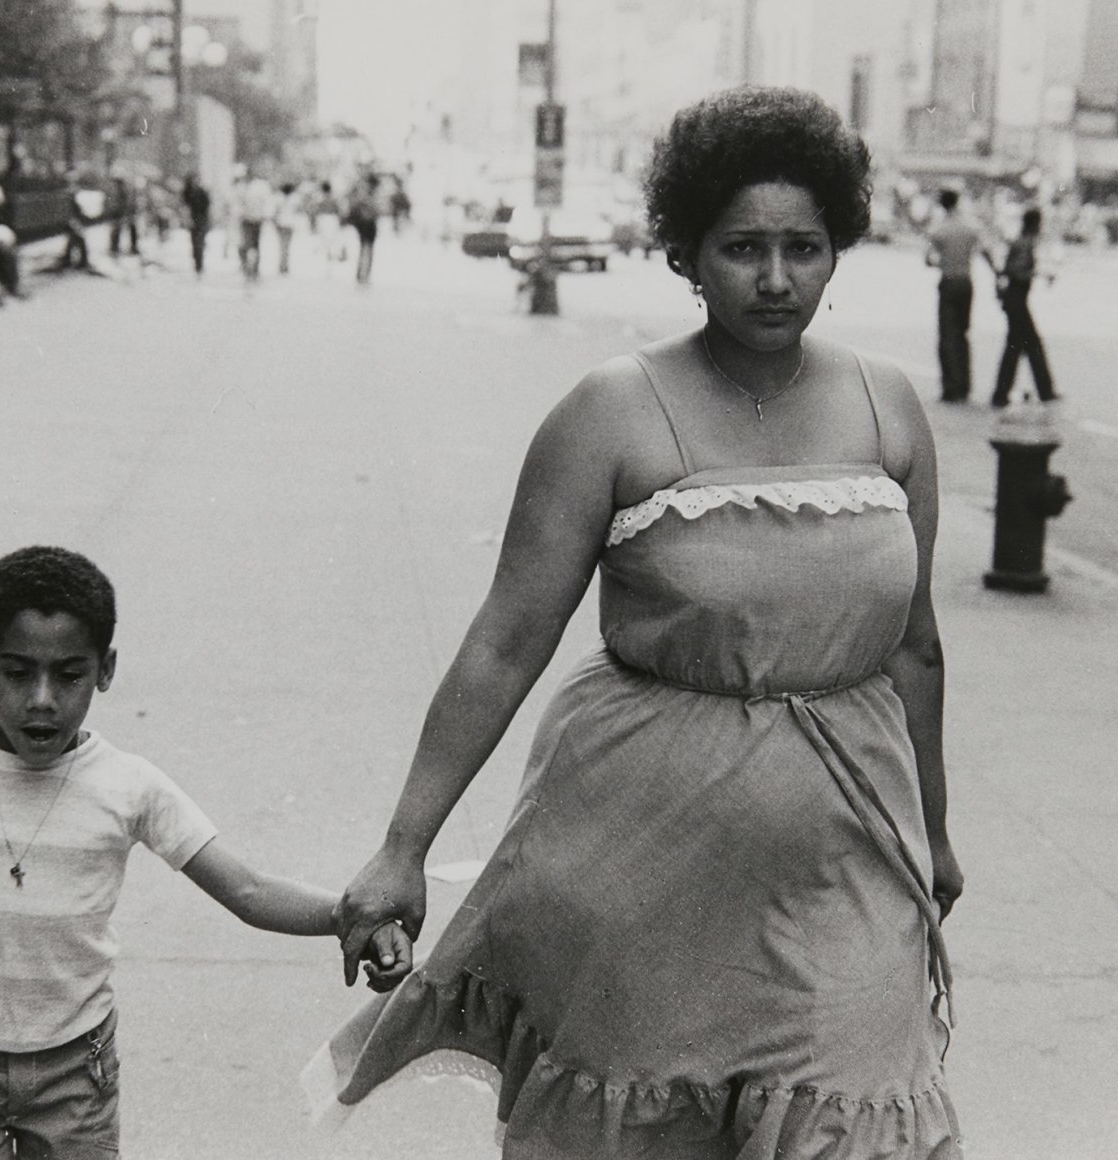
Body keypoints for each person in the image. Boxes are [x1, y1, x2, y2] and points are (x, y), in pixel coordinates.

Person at [318, 85, 962, 1159]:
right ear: (684, 253)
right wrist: (402, 846)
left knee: (856, 1119)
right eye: (739, 247)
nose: (772, 278)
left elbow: (916, 644)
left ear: (837, 248)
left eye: (802, 247)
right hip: (639, 858)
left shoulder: (888, 405)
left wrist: (932, 831)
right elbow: (504, 638)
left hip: (848, 848)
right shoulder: (611, 410)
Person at [0, 546, 410, 1157]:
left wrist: (354, 918)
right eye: (17, 672)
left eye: (69, 675)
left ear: (105, 669)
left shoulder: (129, 785)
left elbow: (247, 890)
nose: (41, 699)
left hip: (74, 1070)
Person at [989, 207, 1056, 407]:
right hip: (1017, 300)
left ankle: (1043, 389)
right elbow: (1015, 271)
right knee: (1021, 346)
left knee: (1024, 345)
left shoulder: (1021, 242)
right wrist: (1040, 275)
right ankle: (1006, 393)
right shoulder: (1025, 244)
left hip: (1015, 300)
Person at [924, 187, 982, 402]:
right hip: (966, 282)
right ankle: (965, 386)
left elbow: (929, 259)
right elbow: (985, 251)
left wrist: (944, 261)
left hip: (948, 281)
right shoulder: (971, 227)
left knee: (947, 336)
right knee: (963, 334)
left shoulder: (939, 230)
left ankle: (951, 387)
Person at [236, 172, 274, 280]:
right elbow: (237, 203)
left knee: (255, 244)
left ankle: (254, 268)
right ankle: (246, 265)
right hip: (246, 219)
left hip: (257, 219)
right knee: (245, 244)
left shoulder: (260, 187)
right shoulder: (241, 187)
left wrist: (265, 215)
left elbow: (267, 202)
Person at [346, 175, 381, 285]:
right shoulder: (372, 196)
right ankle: (364, 274)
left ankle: (361, 273)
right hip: (368, 224)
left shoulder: (363, 195)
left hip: (364, 224)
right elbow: (377, 211)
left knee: (364, 249)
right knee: (368, 250)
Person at [180, 173, 211, 276]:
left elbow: (207, 206)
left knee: (200, 242)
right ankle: (197, 262)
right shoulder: (187, 192)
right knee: (195, 242)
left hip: (201, 219)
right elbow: (184, 206)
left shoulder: (202, 192)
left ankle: (199, 263)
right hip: (192, 219)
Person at [273, 182, 301, 275]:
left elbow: (275, 212)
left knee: (282, 245)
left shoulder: (278, 198)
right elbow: (298, 210)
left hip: (281, 223)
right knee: (287, 246)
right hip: (290, 224)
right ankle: (285, 265)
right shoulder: (294, 199)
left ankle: (282, 265)